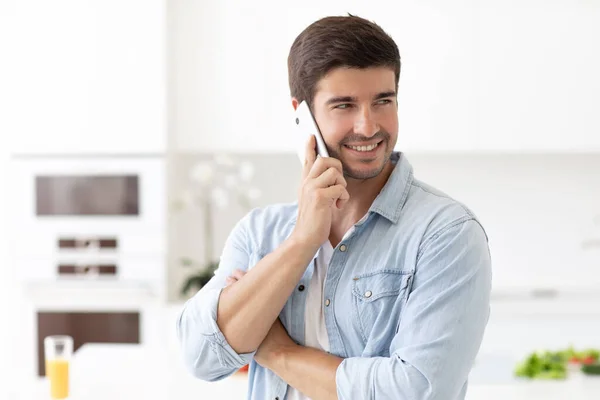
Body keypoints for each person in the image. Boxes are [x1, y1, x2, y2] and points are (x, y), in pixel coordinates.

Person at [176, 14, 492, 400]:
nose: (368, 126)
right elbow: (201, 358)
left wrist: (278, 352)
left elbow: (416, 392)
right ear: (302, 114)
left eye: (383, 101)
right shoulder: (260, 233)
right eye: (344, 105)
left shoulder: (446, 234)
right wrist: (301, 243)